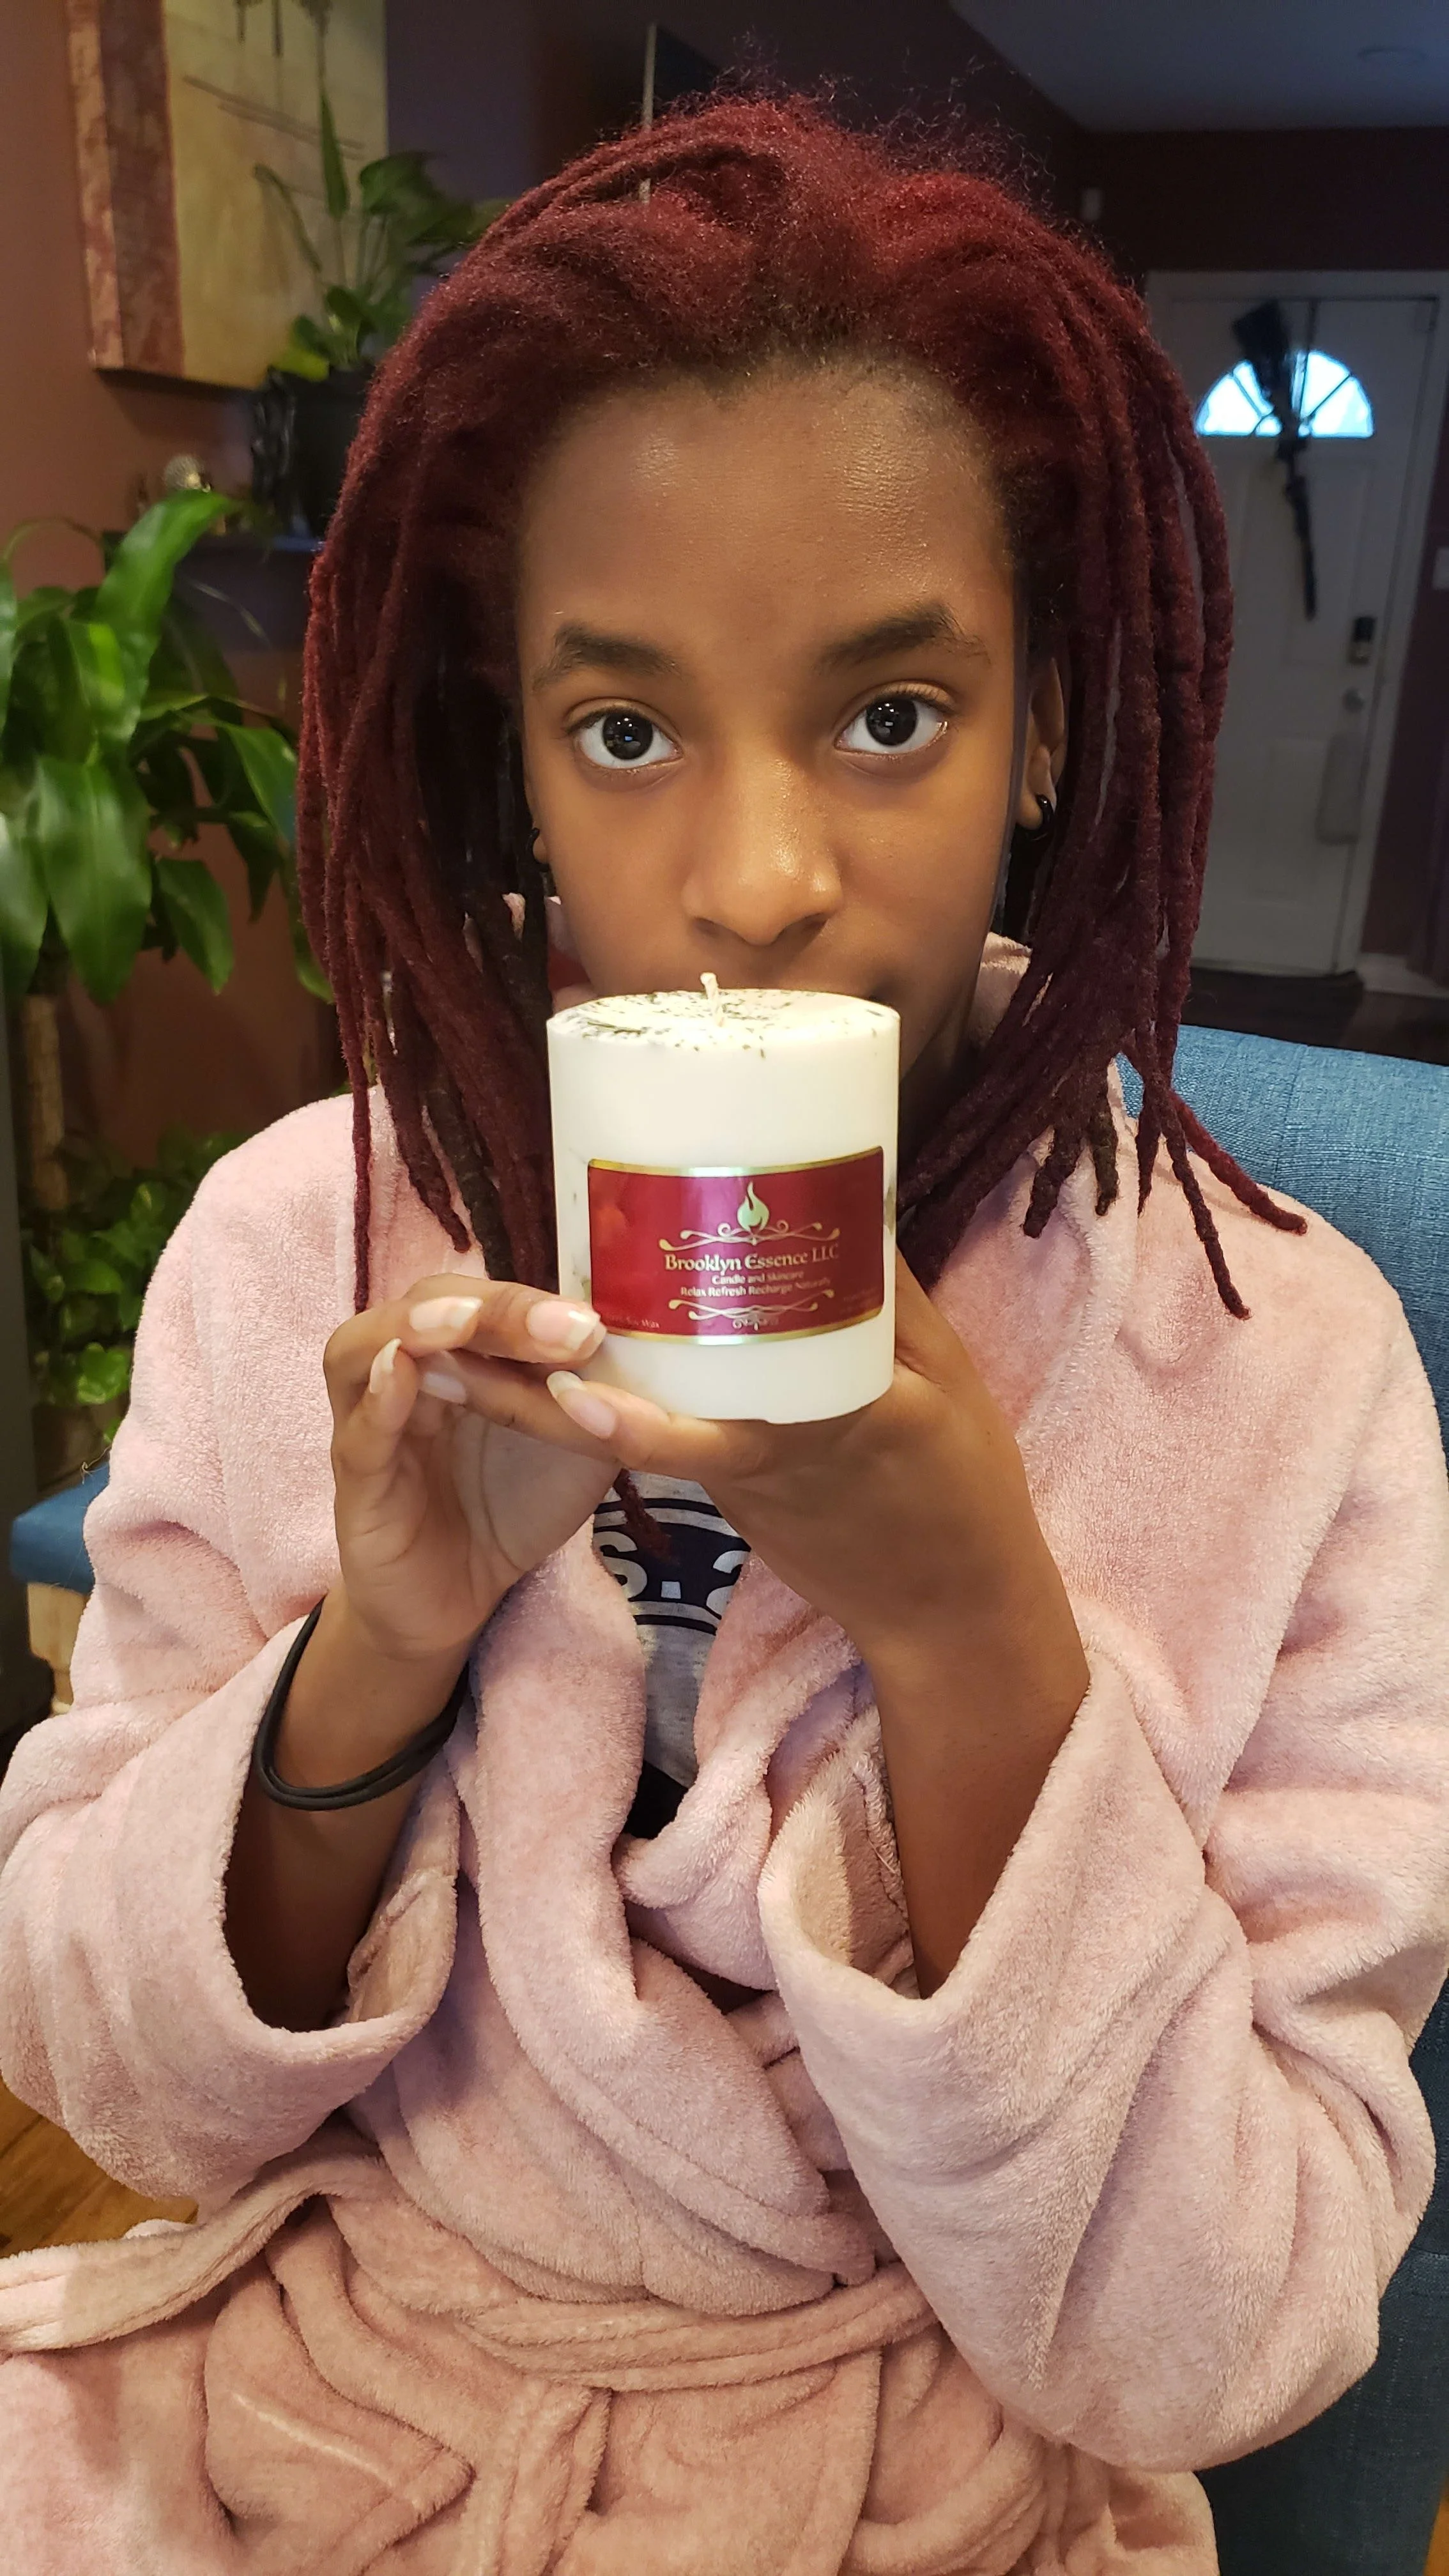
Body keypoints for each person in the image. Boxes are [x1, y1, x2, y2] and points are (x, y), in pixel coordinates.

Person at [1, 95, 1446, 2576]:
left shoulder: (1271, 1364)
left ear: (1050, 736)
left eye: (891, 719)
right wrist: (390, 1640)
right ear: (517, 758)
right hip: (311, 2427)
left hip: (920, 2477)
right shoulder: (296, 1246)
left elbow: (1229, 2337)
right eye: (630, 730)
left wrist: (980, 1633)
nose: (756, 883)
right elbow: (98, 2077)